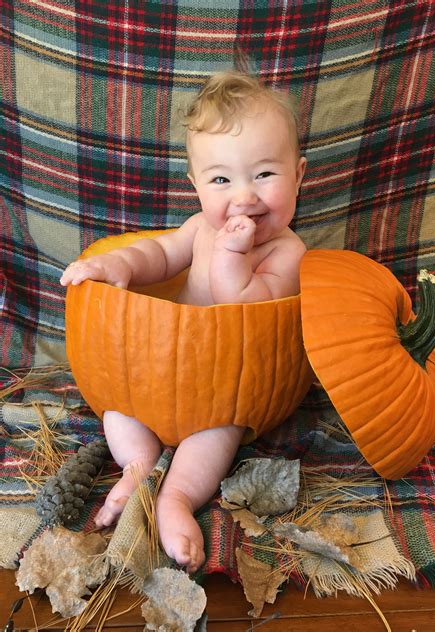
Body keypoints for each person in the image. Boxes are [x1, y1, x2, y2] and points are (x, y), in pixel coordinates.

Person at [60, 71, 307, 573]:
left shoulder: (289, 251)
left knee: (220, 435)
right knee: (117, 409)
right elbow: (158, 254)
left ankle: (176, 499)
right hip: (155, 380)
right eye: (221, 179)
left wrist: (233, 254)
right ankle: (135, 470)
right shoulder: (198, 228)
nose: (244, 197)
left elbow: (246, 303)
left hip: (227, 392)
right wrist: (119, 266)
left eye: (264, 174)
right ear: (195, 185)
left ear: (298, 175)